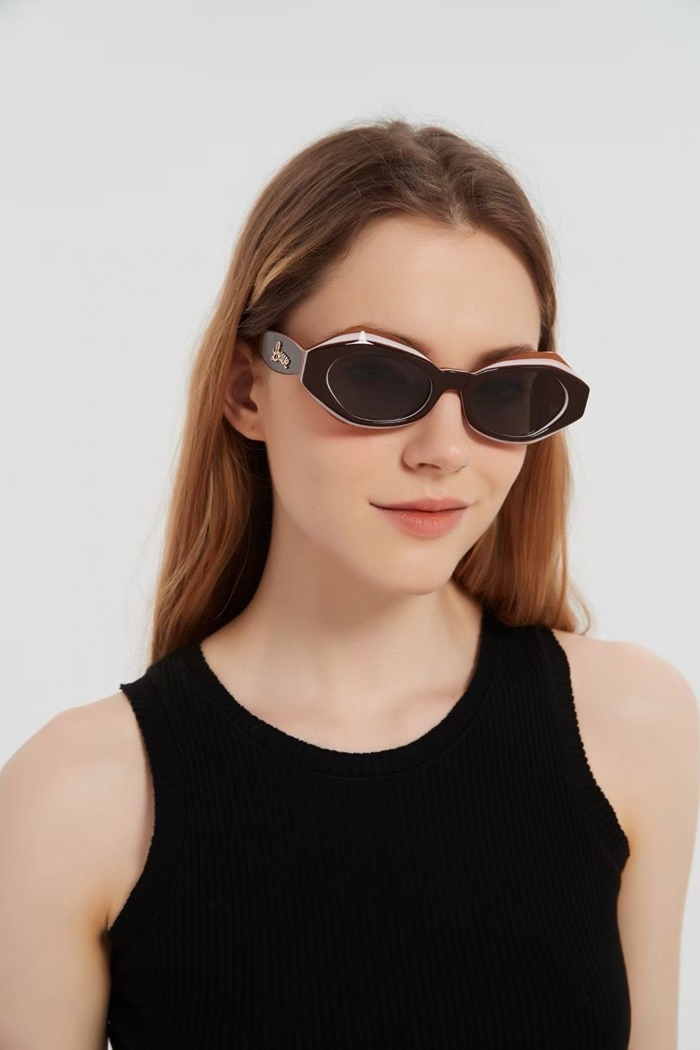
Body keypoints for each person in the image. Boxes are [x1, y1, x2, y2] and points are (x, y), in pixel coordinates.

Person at [0, 119, 697, 1050]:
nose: (445, 451)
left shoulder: (634, 729)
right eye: (375, 377)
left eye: (503, 391)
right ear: (247, 389)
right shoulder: (75, 800)